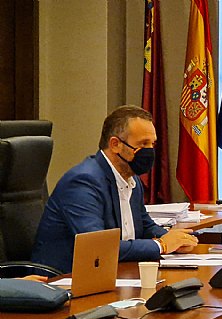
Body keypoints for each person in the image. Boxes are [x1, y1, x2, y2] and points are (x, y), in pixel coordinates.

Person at [31, 105, 198, 273]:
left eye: (152, 144)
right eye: (142, 144)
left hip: (115, 272)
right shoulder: (83, 182)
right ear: (115, 144)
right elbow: (99, 246)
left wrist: (174, 239)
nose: (149, 151)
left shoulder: (131, 179)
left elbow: (145, 225)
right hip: (63, 280)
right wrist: (161, 245)